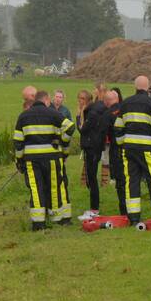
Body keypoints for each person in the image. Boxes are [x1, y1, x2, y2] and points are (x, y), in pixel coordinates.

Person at [13, 90, 75, 230]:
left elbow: (18, 142)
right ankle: (56, 218)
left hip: (31, 159)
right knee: (54, 186)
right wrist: (61, 143)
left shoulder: (23, 116)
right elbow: (71, 128)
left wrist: (19, 161)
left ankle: (38, 223)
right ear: (46, 100)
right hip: (52, 157)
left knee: (36, 189)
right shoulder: (53, 113)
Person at [114, 76, 151, 222]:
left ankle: (133, 216)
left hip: (129, 149)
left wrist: (123, 143)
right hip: (148, 149)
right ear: (148, 87)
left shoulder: (125, 103)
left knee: (131, 180)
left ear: (135, 86)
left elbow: (118, 128)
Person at [77, 89, 108, 221]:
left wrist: (79, 115)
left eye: (82, 99)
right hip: (92, 147)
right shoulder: (92, 110)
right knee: (90, 178)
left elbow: (82, 129)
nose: (79, 102)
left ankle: (94, 209)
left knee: (92, 178)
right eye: (78, 98)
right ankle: (93, 208)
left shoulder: (91, 112)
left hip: (92, 148)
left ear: (88, 100)